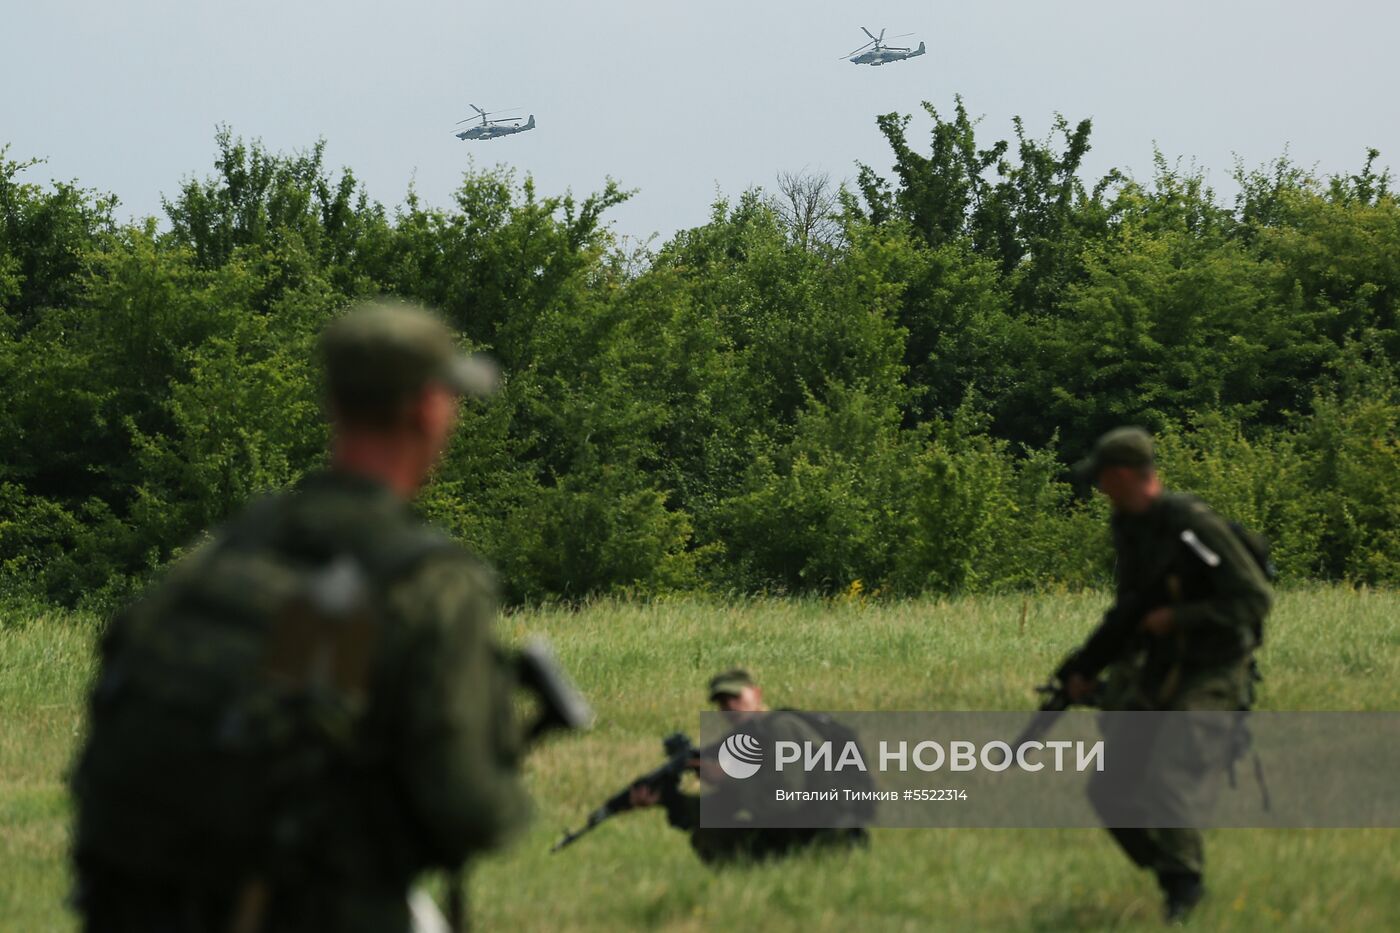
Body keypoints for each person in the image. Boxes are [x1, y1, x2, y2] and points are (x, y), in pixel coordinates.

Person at [70, 300, 530, 933]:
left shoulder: (244, 544)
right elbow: (468, 810)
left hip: (146, 900)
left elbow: (290, 728)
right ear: (427, 408)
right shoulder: (422, 580)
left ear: (334, 404)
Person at [1058, 427, 1273, 922]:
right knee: (1109, 789)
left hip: (1214, 666)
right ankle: (1170, 869)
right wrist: (1087, 667)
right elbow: (1130, 611)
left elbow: (1254, 599)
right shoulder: (1131, 528)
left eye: (1104, 480)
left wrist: (1179, 619)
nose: (1100, 490)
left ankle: (1185, 894)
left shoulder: (1193, 527)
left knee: (1169, 769)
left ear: (1124, 476)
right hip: (1161, 664)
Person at [628, 668, 871, 864]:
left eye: (736, 697)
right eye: (723, 703)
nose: (730, 707)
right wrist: (667, 800)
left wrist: (725, 778)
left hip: (830, 837)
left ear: (756, 694)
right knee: (709, 832)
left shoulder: (780, 728)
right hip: (802, 831)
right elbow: (724, 806)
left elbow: (785, 797)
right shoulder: (754, 741)